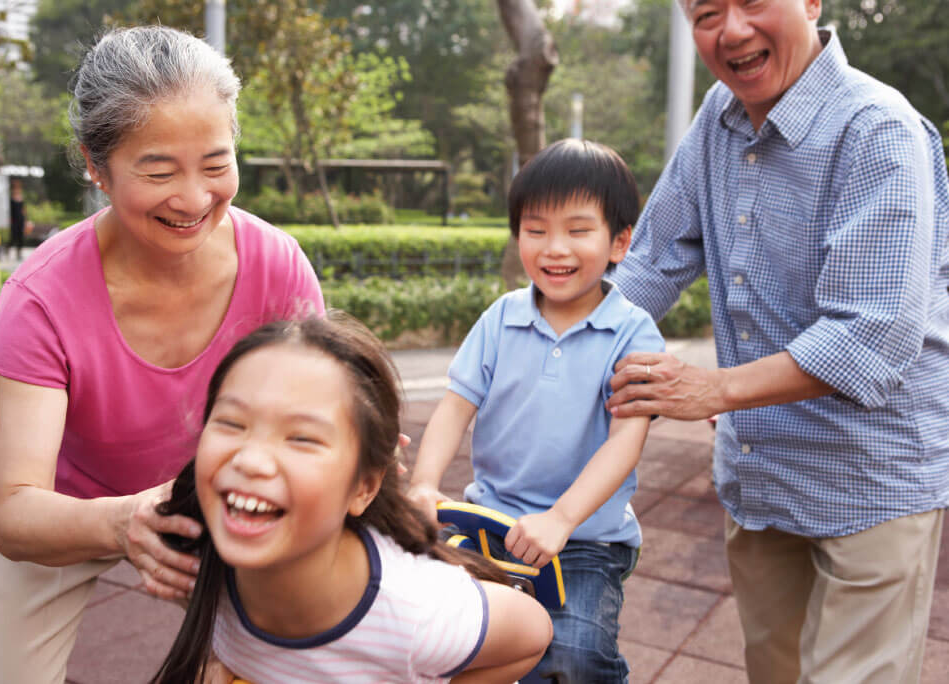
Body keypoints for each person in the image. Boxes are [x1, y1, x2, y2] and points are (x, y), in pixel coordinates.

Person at [0, 26, 325, 684]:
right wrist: (119, 520)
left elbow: (324, 411)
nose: (193, 198)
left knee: (282, 662)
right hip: (60, 507)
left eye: (215, 165)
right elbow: (16, 512)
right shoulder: (42, 296)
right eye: (159, 172)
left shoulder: (276, 266)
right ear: (95, 167)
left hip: (219, 496)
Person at [606, 1, 949, 682]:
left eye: (754, 1)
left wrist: (717, 388)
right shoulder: (719, 115)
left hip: (870, 475)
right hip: (761, 468)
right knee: (774, 672)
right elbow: (653, 260)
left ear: (812, 1)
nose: (731, 30)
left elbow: (871, 334)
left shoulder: (876, 129)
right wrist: (547, 341)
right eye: (706, 12)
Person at [151, 314, 553, 684]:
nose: (251, 459)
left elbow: (533, 634)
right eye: (231, 423)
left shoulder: (414, 614)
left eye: (302, 438)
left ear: (364, 487)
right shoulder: (194, 547)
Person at [409, 139, 666, 682]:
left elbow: (626, 441)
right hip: (490, 523)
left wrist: (562, 519)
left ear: (620, 242)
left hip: (584, 538)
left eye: (577, 231)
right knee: (439, 634)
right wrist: (425, 484)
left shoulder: (633, 333)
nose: (554, 248)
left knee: (573, 655)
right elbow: (456, 408)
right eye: (535, 229)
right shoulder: (502, 318)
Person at [8, 178, 27, 260]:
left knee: (20, 237)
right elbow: (10, 210)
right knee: (13, 237)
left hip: (21, 220)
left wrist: (26, 220)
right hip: (14, 220)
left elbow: (23, 210)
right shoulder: (11, 198)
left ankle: (19, 253)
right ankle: (7, 248)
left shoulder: (21, 197)